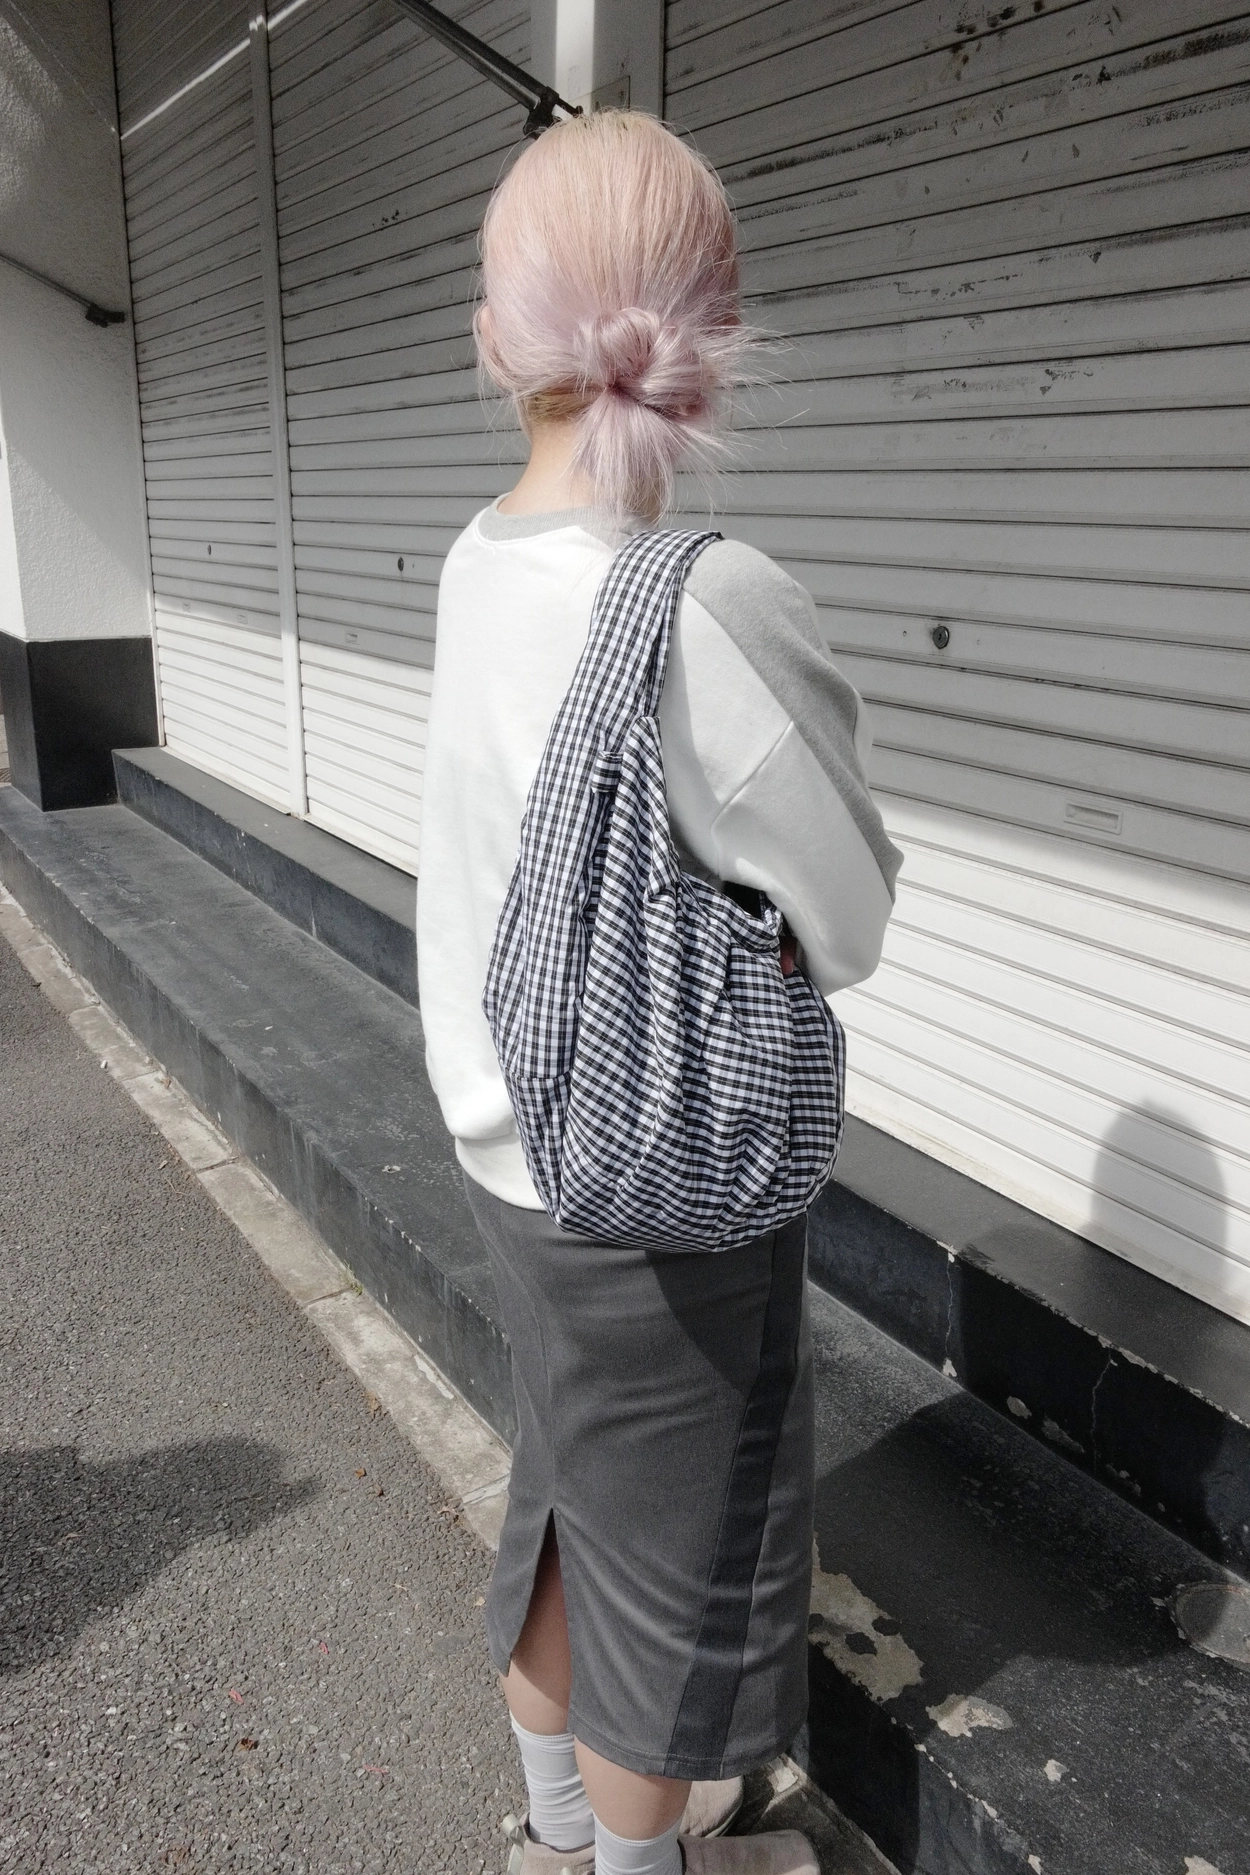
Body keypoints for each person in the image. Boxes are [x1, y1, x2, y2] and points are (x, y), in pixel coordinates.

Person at [416, 110, 900, 1875]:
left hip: (507, 1144)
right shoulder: (709, 603)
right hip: (656, 1191)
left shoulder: (477, 558)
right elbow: (848, 917)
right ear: (716, 322)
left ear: (499, 333)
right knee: (673, 1596)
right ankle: (629, 1858)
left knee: (570, 1503)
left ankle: (557, 1830)